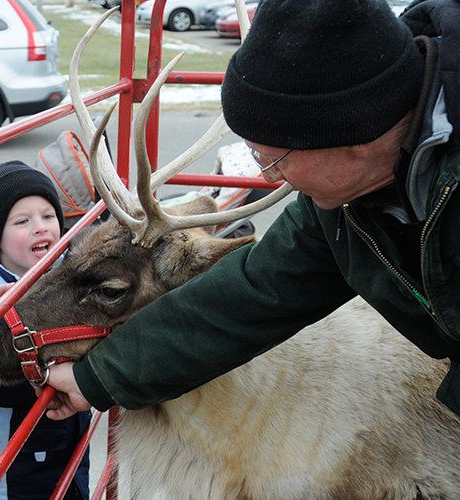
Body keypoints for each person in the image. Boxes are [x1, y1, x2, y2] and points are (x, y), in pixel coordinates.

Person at [41, 0, 460, 425]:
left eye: (275, 159)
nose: (272, 177)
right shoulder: (339, 207)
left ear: (356, 140)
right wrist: (96, 377)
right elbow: (253, 291)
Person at [0, 161, 90, 500]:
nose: (41, 228)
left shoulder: (65, 276)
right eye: (22, 221)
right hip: (7, 458)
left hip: (69, 440)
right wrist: (68, 373)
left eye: (48, 216)